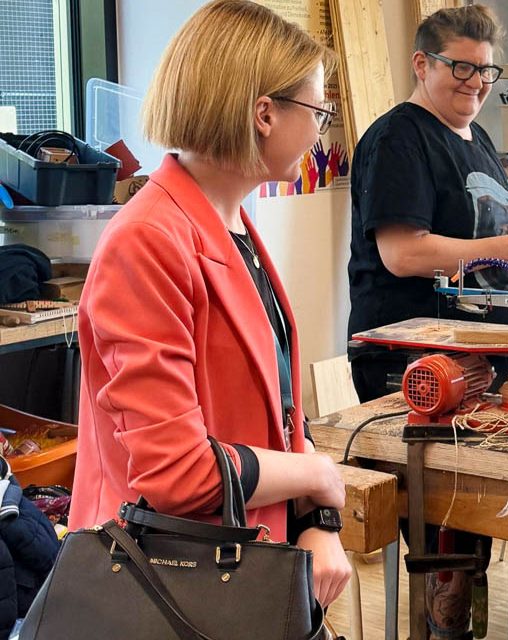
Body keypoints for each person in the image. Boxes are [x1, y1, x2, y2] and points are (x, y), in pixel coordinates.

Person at [70, 0, 352, 608]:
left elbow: (275, 412)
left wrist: (316, 522)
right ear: (265, 114)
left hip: (237, 563)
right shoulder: (147, 243)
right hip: (164, 584)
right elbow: (179, 475)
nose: (320, 129)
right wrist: (319, 476)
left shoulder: (233, 226)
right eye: (319, 111)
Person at [346, 6, 508, 637]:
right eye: (461, 67)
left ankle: (471, 616)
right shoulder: (400, 139)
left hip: (483, 356)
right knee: (439, 520)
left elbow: (488, 247)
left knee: (478, 516)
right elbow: (402, 252)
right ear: (423, 63)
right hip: (413, 363)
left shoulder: (479, 142)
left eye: (486, 70)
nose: (476, 82)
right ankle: (440, 625)